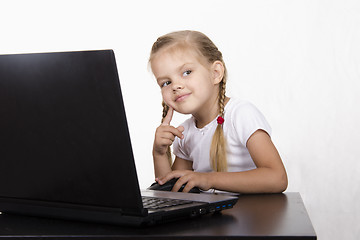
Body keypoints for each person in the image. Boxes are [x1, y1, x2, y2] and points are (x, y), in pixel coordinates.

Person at [149, 30, 287, 193]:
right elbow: (173, 195)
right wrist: (159, 154)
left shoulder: (240, 114)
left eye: (187, 72)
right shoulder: (183, 133)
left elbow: (277, 178)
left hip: (253, 216)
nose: (176, 86)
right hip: (214, 219)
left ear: (215, 73)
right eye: (166, 82)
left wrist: (208, 179)